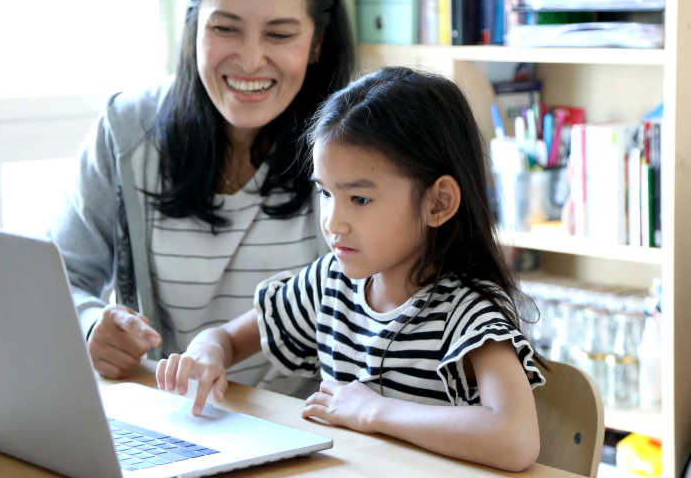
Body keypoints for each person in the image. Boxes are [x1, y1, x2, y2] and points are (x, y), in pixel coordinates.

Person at [155, 67, 546, 472]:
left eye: (359, 199)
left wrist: (375, 411)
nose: (333, 222)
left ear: (438, 202)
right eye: (325, 193)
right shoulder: (329, 284)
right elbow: (226, 339)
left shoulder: (466, 314)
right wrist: (205, 355)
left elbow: (515, 439)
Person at [49, 0, 354, 396]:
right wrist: (89, 323)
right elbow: (58, 276)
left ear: (317, 43)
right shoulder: (127, 129)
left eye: (280, 34)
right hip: (166, 420)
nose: (250, 60)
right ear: (194, 25)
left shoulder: (358, 149)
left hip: (305, 430)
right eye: (225, 28)